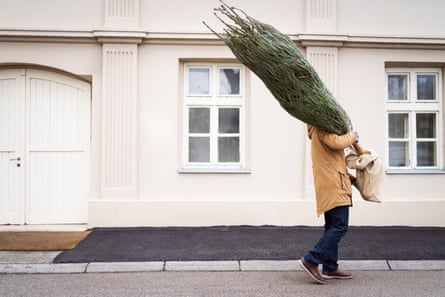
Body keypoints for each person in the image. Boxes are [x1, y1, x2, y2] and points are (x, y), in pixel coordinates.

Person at [298, 124, 358, 284]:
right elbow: (336, 143)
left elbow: (332, 155)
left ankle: (330, 267)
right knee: (340, 226)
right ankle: (311, 260)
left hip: (332, 182)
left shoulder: (319, 127)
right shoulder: (322, 126)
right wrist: (353, 135)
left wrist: (350, 179)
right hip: (334, 185)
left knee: (332, 226)